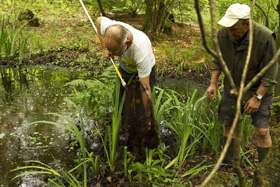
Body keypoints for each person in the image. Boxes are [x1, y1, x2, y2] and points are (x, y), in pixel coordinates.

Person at [206, 3, 278, 163]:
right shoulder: (223, 34)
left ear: (248, 24)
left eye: (234, 28)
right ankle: (228, 164)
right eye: (228, 27)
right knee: (228, 125)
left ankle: (264, 170)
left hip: (259, 89)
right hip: (232, 88)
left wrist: (258, 97)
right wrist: (212, 83)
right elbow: (218, 60)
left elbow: (271, 71)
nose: (230, 32)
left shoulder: (264, 38)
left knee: (261, 131)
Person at [96, 16, 156, 104]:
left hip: (144, 71)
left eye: (116, 52)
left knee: (141, 102)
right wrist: (105, 48)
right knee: (121, 103)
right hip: (125, 70)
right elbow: (99, 20)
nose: (113, 55)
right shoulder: (110, 27)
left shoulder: (141, 49)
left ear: (126, 43)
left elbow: (145, 89)